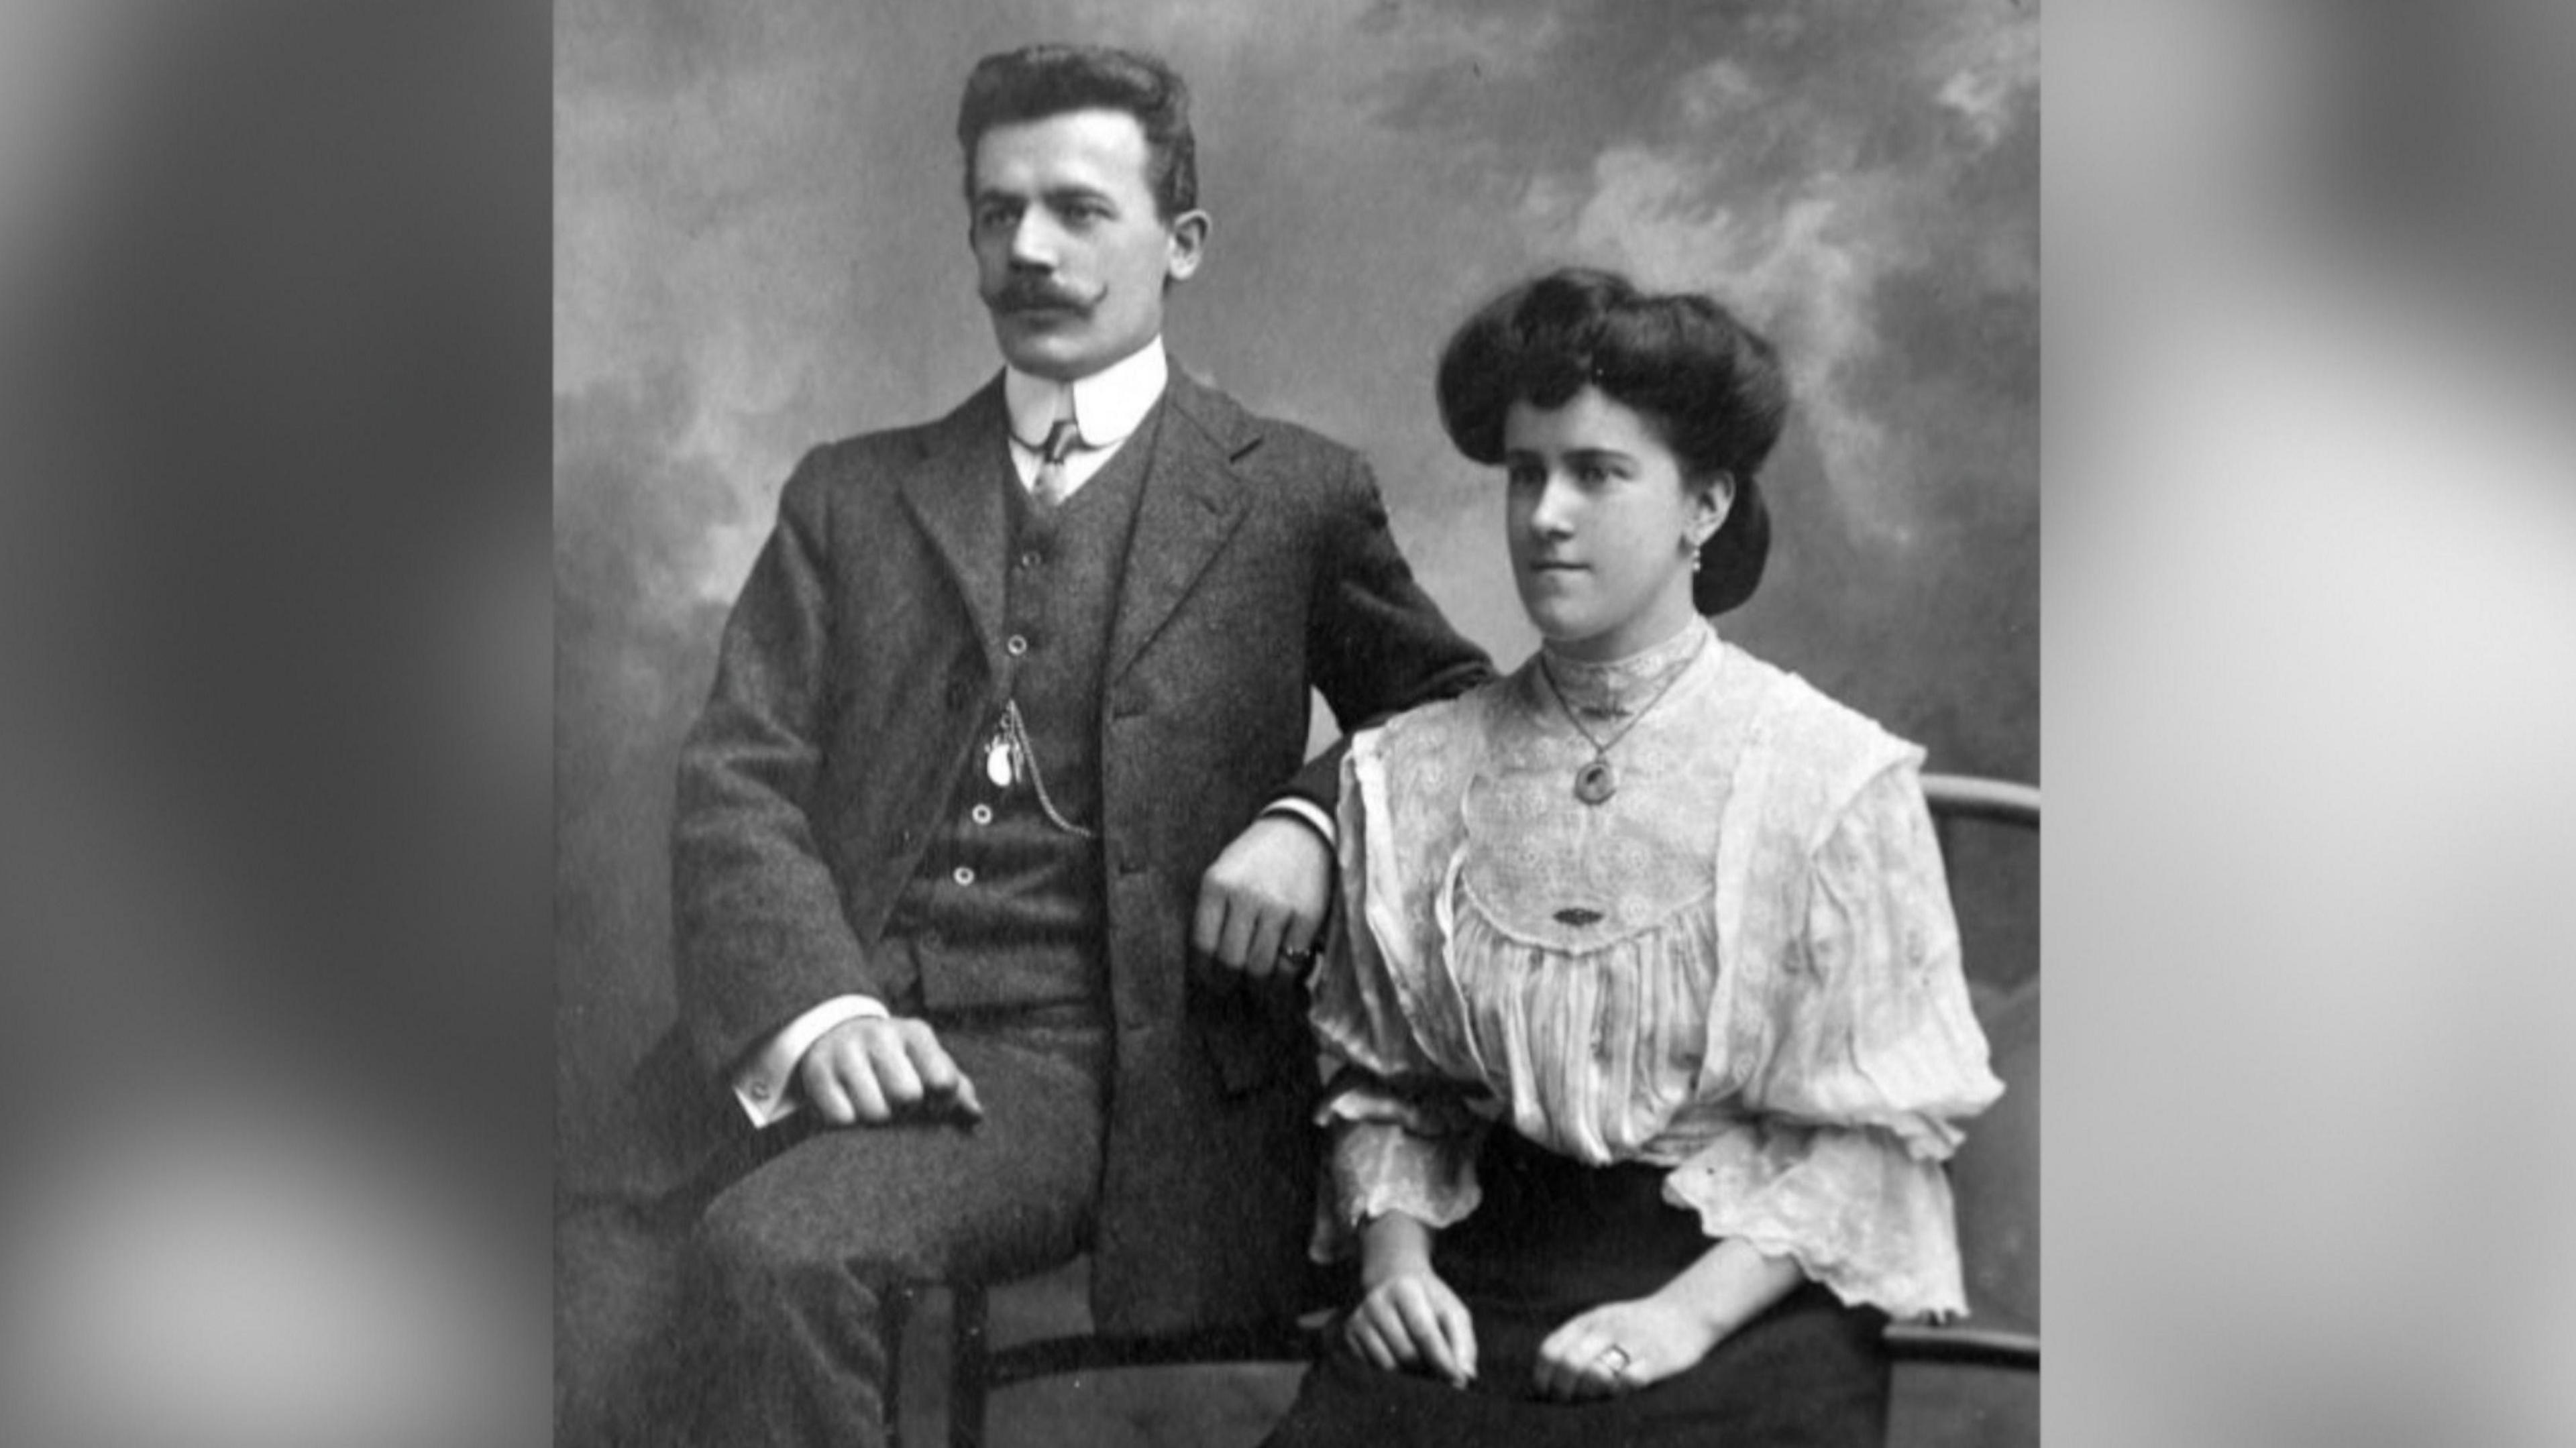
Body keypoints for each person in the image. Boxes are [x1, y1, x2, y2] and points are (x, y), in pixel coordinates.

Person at [559, 44, 1491, 1448]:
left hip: (1085, 1066)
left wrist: (1311, 819)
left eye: (1076, 211)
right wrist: (822, 1013)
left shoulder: (1294, 497)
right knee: (578, 1265)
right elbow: (737, 779)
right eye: (998, 214)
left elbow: (1457, 717)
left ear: (1183, 244)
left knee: (781, 1256)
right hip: (841, 1025)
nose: (1028, 250)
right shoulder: (856, 496)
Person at [1259, 268, 2004, 1448]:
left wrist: (1677, 1324)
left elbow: (1872, 1143)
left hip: (1743, 1282)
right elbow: (1388, 1092)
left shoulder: (1824, 775)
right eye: (1525, 474)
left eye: (1597, 474)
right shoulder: (1410, 774)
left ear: (1703, 506)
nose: (1546, 515)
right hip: (1479, 1273)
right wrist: (1395, 1270)